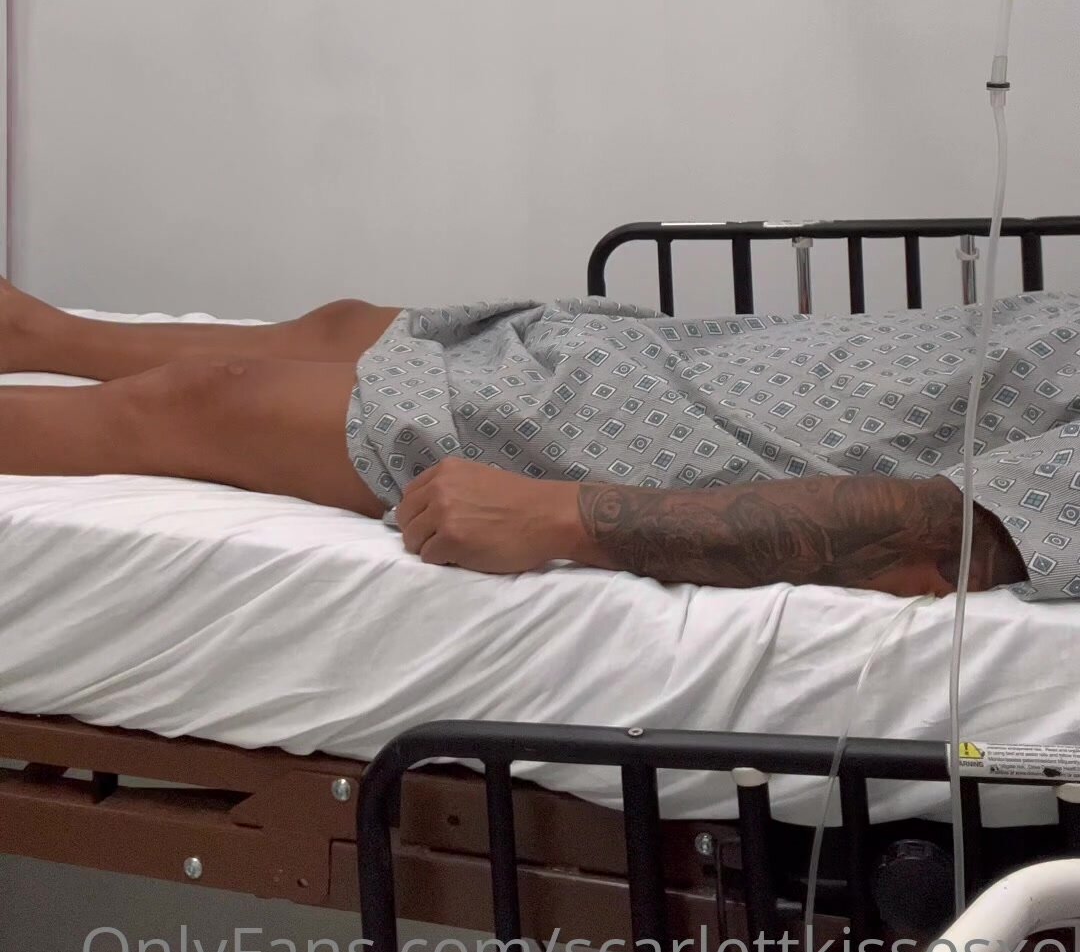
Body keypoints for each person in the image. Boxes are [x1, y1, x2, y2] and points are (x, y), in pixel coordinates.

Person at [6, 277, 1075, 600]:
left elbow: (937, 537)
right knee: (341, 327)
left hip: (649, 438)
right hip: (677, 357)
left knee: (207, 401)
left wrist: (570, 517)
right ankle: (39, 334)